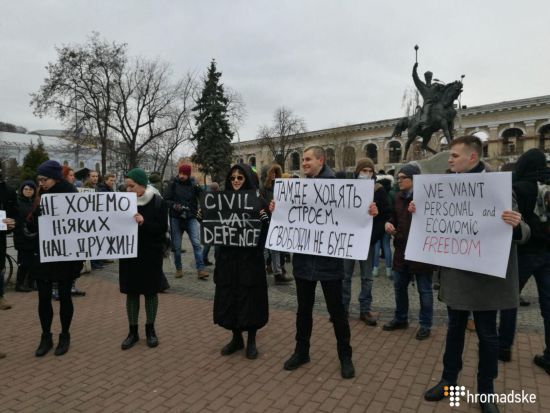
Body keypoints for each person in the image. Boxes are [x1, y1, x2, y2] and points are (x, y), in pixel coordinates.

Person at [423, 136, 529, 413]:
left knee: (487, 335)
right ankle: (448, 381)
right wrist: (419, 211)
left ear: (472, 157)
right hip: (457, 273)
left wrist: (516, 225)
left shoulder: (497, 186)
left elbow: (523, 229)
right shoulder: (445, 186)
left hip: (486, 277)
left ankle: (486, 391)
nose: (449, 160)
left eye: (454, 155)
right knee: (455, 330)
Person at [271, 146, 378, 379]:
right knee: (303, 311)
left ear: (321, 160)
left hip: (330, 263)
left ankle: (345, 356)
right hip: (303, 263)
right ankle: (301, 351)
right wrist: (277, 210)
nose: (304, 163)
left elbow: (353, 214)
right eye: (303, 160)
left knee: (337, 312)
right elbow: (290, 217)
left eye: (308, 159)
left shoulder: (338, 185)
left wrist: (369, 211)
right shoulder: (298, 188)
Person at [498, 148, 550, 373]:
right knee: (548, 304)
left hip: (524, 252)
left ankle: (503, 347)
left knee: (509, 300)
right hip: (548, 252)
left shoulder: (519, 187)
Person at [211, 164, 269, 359]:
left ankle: (251, 340)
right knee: (230, 298)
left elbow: (266, 234)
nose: (235, 181)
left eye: (240, 178)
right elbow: (214, 228)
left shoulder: (258, 201)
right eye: (233, 177)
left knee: (250, 299)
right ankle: (236, 338)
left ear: (247, 180)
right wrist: (203, 217)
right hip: (228, 260)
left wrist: (265, 220)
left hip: (249, 261)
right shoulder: (222, 201)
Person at [34, 160, 84, 357]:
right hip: (45, 254)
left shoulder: (71, 194)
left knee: (64, 296)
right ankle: (46, 336)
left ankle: (65, 335)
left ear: (55, 178)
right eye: (39, 180)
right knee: (43, 297)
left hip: (66, 256)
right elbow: (33, 223)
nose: (41, 183)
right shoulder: (41, 195)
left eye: (44, 179)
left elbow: (82, 225)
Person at [383, 163, 435, 340]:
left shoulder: (427, 196)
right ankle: (401, 319)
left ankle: (425, 325)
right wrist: (389, 224)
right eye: (397, 178)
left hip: (422, 252)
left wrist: (420, 211)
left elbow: (435, 220)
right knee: (399, 287)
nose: (399, 180)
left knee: (424, 290)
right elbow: (394, 217)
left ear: (413, 179)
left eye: (402, 177)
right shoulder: (398, 197)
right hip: (401, 250)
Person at [119, 168, 168, 350]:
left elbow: (161, 229)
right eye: (126, 186)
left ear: (142, 185)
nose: (128, 190)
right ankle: (132, 332)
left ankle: (150, 330)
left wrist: (144, 222)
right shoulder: (122, 202)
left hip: (150, 254)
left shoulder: (158, 202)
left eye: (131, 186)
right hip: (129, 254)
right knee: (132, 293)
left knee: (150, 292)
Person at [342, 158, 390, 326]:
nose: (367, 174)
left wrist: (374, 233)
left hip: (367, 241)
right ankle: (343, 309)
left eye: (370, 171)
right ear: (358, 172)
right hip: (348, 240)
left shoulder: (379, 190)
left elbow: (386, 214)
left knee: (367, 277)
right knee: (345, 276)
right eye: (364, 171)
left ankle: (365, 309)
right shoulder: (348, 187)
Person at [165, 164, 208, 280]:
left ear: (189, 175)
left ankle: (201, 270)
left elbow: (204, 197)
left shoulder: (194, 185)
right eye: (180, 173)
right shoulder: (173, 184)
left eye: (184, 174)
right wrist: (175, 205)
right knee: (177, 247)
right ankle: (179, 269)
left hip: (191, 217)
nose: (182, 176)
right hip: (176, 218)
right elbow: (166, 200)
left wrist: (201, 208)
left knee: (196, 244)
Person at [261, 164, 292, 284]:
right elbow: (262, 203)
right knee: (269, 248)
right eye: (272, 173)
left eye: (276, 172)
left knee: (277, 247)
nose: (274, 175)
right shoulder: (264, 187)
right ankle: (275, 271)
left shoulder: (280, 185)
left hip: (279, 220)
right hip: (268, 220)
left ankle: (278, 271)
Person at [13, 180, 38, 292]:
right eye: (26, 189)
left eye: (31, 189)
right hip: (22, 237)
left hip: (34, 236)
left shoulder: (36, 203)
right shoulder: (17, 203)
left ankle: (31, 282)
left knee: (34, 262)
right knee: (24, 263)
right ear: (22, 190)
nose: (28, 191)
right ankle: (19, 284)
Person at [0, 169, 17, 310]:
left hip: (0, 236)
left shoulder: (9, 191)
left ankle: (0, 297)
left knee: (0, 266)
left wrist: (12, 223)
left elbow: (14, 213)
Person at [373, 172, 394, 278]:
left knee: (376, 247)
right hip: (387, 222)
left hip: (376, 223)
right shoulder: (389, 193)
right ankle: (389, 270)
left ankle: (375, 270)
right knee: (386, 246)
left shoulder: (375, 192)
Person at [412, 62, 443, 127]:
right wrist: (414, 68)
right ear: (425, 78)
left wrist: (438, 96)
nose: (428, 78)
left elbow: (444, 90)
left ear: (431, 77)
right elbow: (415, 78)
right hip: (427, 104)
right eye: (427, 77)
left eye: (430, 76)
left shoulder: (436, 85)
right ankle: (423, 120)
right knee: (427, 108)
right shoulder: (422, 86)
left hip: (436, 103)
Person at [202, 182, 220, 266]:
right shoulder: (220, 197)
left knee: (208, 243)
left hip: (207, 223)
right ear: (217, 189)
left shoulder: (206, 197)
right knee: (217, 243)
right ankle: (218, 260)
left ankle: (204, 259)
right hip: (217, 223)